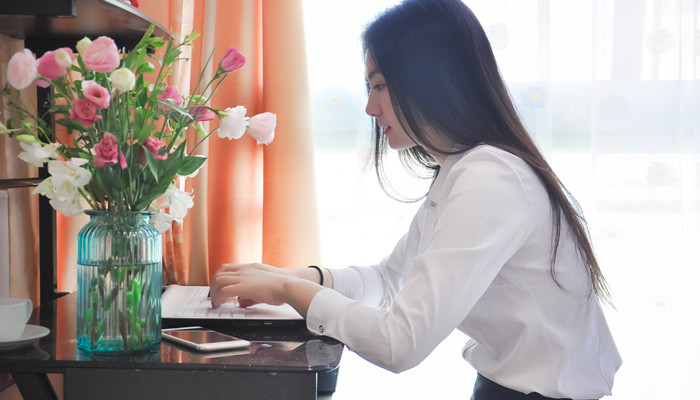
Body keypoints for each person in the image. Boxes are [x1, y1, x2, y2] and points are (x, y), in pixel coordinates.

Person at [210, 0, 622, 398]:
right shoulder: (463, 169)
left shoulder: (490, 178)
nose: (370, 107)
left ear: (431, 77)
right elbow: (389, 280)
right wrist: (300, 277)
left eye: (380, 85)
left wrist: (287, 290)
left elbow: (399, 343)